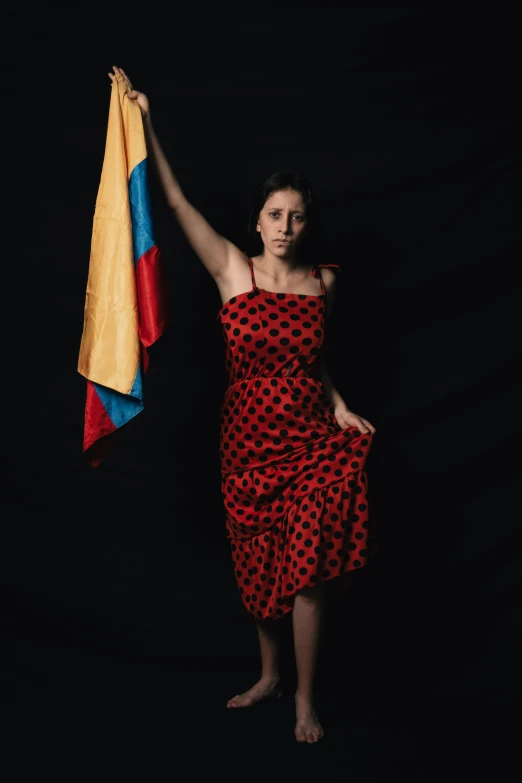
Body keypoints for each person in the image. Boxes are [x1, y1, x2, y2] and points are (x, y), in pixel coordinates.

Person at [108, 66, 377, 744]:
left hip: (311, 437)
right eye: (275, 214)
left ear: (305, 224)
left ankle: (304, 699)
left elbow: (316, 362)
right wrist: (145, 120)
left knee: (307, 567)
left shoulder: (323, 283)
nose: (286, 225)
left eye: (297, 216)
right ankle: (268, 675)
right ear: (257, 220)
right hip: (248, 442)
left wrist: (340, 406)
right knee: (260, 562)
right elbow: (173, 201)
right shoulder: (234, 268)